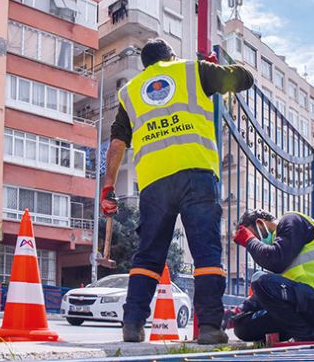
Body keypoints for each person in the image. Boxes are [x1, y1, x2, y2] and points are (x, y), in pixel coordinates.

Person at [102, 39, 253, 344]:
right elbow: (244, 79)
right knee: (206, 251)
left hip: (154, 182)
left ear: (145, 66)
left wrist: (108, 187)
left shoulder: (131, 92)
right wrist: (213, 68)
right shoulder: (191, 70)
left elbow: (117, 143)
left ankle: (132, 325)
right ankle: (209, 327)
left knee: (148, 255)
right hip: (196, 173)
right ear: (171, 56)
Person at [231, 209, 314, 342]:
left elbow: (275, 263)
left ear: (260, 224)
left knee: (259, 280)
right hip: (305, 309)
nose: (257, 244)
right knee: (242, 326)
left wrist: (249, 240)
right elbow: (269, 294)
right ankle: (309, 333)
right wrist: (237, 312)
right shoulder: (277, 248)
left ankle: (307, 337)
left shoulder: (292, 220)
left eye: (255, 237)